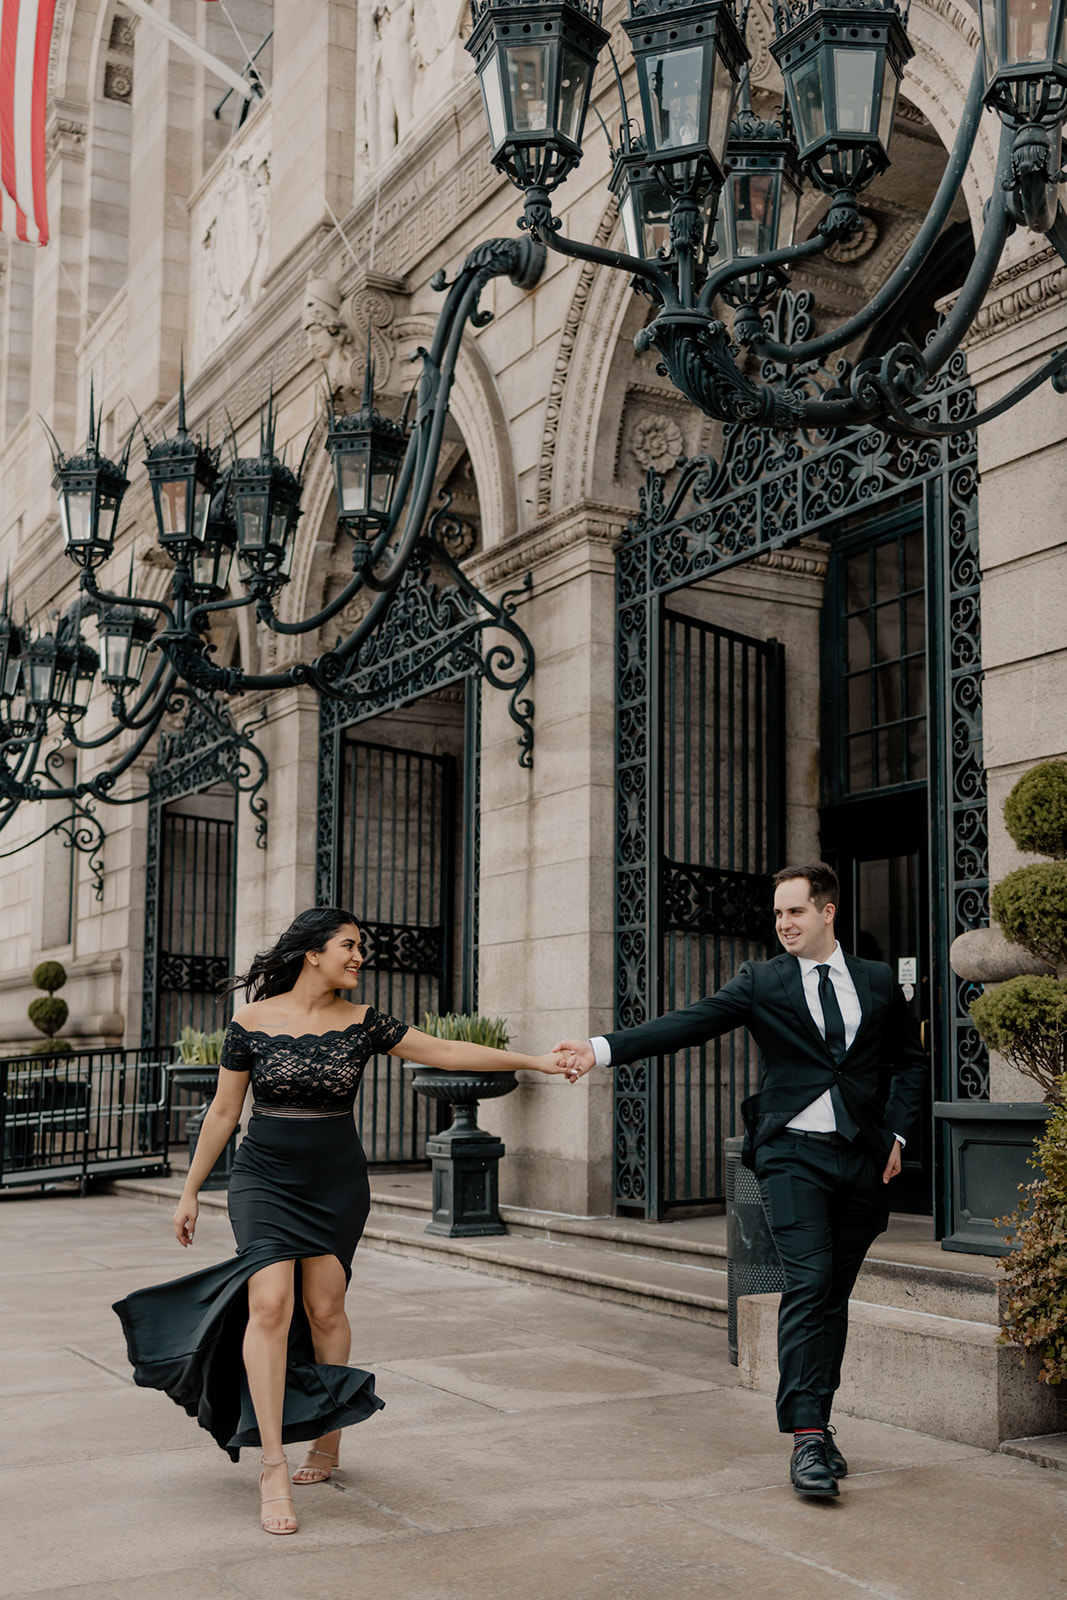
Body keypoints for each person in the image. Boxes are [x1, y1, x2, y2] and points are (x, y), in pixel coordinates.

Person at [114, 906, 567, 1536]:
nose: (360, 957)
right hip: (263, 1177)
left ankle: (327, 1439)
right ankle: (272, 1463)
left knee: (325, 1308)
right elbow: (223, 1112)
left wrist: (537, 1061)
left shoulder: (362, 1024)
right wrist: (190, 1191)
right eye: (350, 946)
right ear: (313, 954)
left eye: (362, 948)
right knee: (270, 1303)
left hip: (335, 1185)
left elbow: (443, 1049)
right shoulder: (249, 1022)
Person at [553, 862, 926, 1501]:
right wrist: (602, 1048)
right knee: (808, 1282)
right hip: (790, 1156)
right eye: (778, 914)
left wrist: (895, 1135)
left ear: (827, 912)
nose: (783, 924)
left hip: (861, 1158)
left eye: (795, 912)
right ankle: (806, 1438)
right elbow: (689, 1023)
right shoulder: (763, 981)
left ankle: (820, 1421)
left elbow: (909, 1063)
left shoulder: (876, 982)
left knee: (832, 1296)